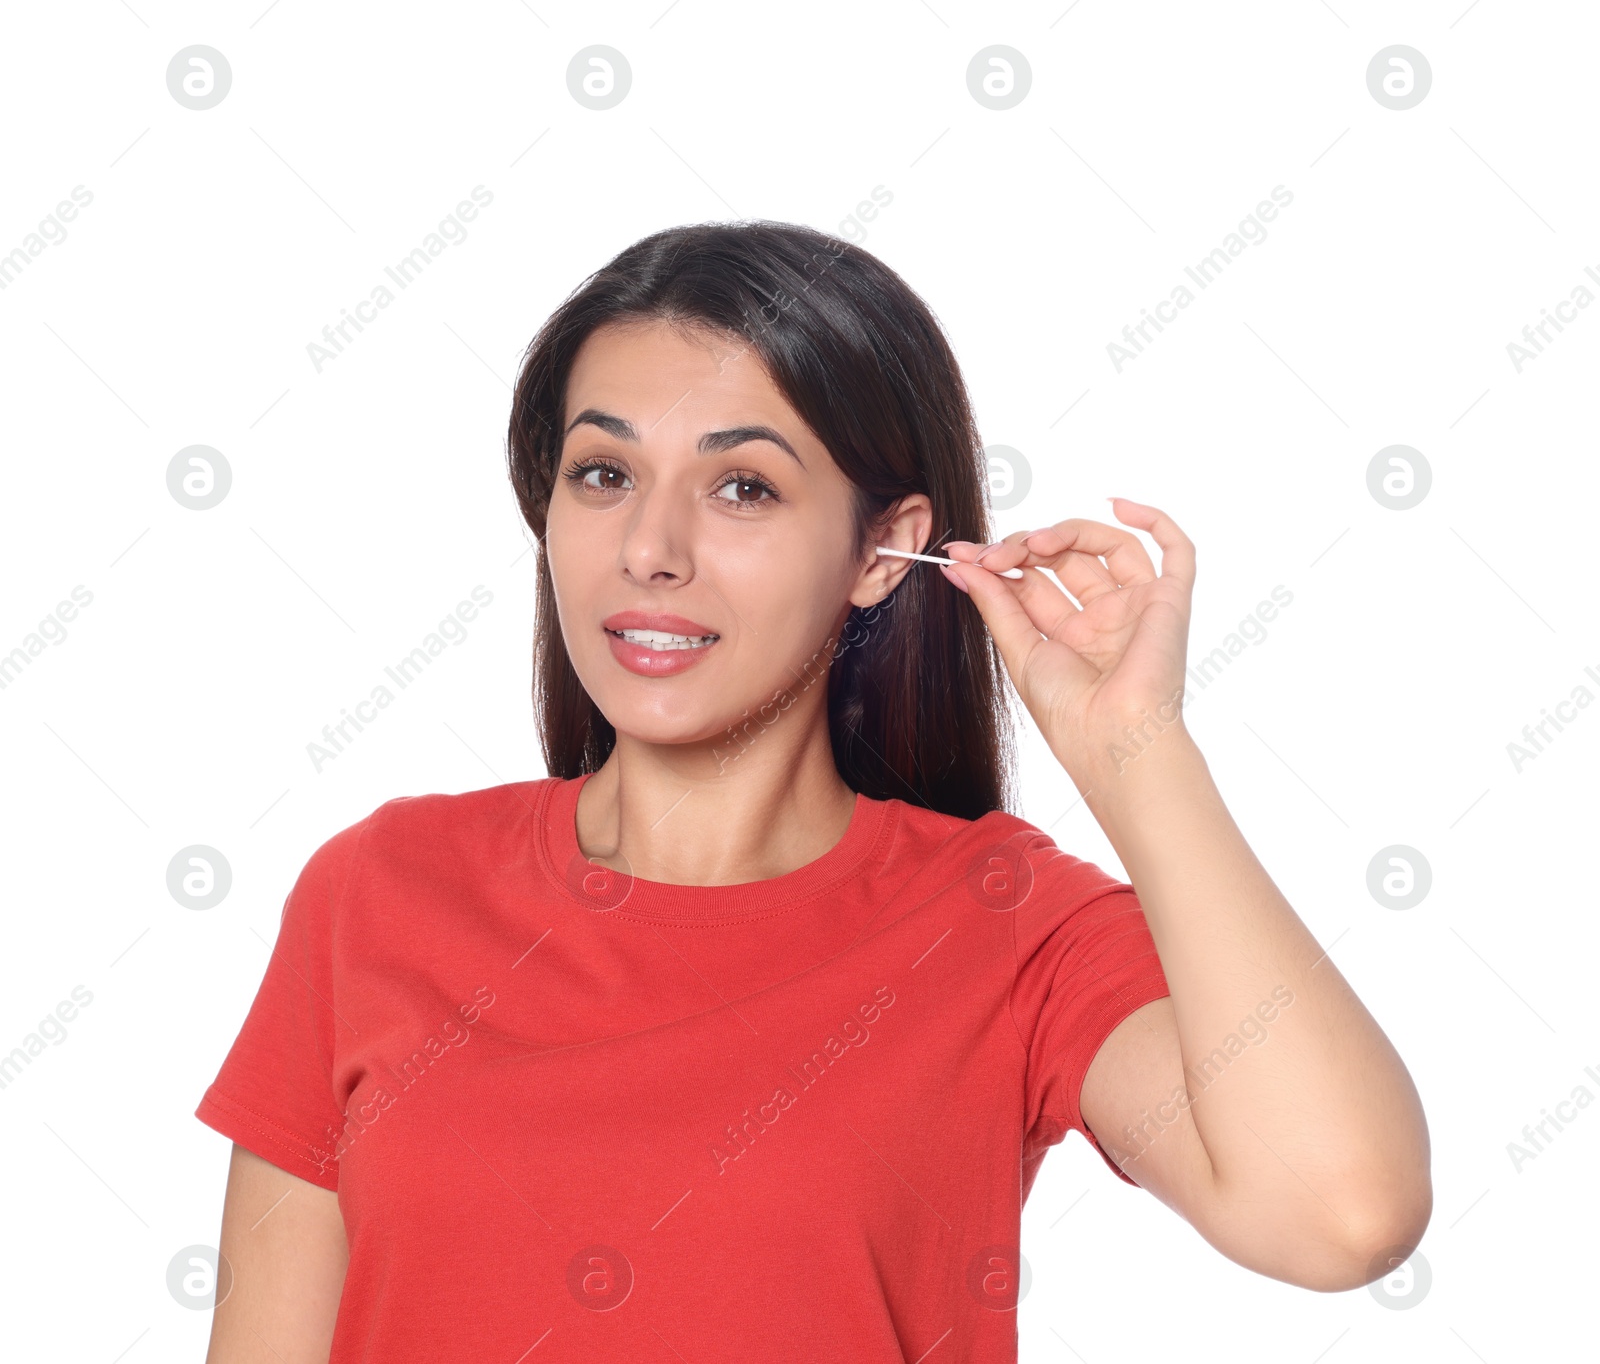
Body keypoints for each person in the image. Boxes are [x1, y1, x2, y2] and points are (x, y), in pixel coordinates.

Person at [195, 221, 1431, 1362]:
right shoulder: (379, 892)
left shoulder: (1007, 924)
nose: (650, 549)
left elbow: (1343, 1214)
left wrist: (1136, 752)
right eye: (602, 475)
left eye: (744, 488)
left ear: (880, 552)